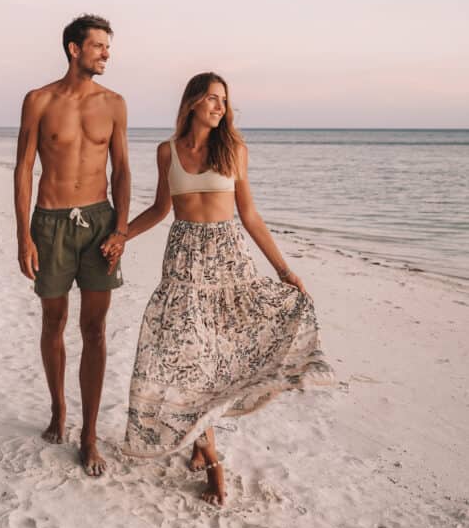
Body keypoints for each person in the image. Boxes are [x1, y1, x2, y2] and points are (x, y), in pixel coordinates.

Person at [115, 72, 333, 505]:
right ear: (192, 102)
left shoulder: (233, 150)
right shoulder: (166, 152)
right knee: (187, 357)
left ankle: (202, 447)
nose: (219, 107)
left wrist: (284, 270)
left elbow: (249, 216)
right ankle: (211, 458)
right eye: (212, 99)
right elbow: (161, 209)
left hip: (228, 262)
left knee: (214, 360)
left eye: (223, 101)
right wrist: (122, 236)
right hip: (182, 264)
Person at [14, 14, 131, 476]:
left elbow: (121, 171)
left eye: (108, 46)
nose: (106, 53)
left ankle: (89, 435)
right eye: (99, 46)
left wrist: (121, 229)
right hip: (50, 223)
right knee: (54, 320)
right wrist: (22, 233)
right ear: (73, 49)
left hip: (100, 225)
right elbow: (24, 167)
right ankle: (59, 409)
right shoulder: (39, 100)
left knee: (96, 330)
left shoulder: (115, 103)